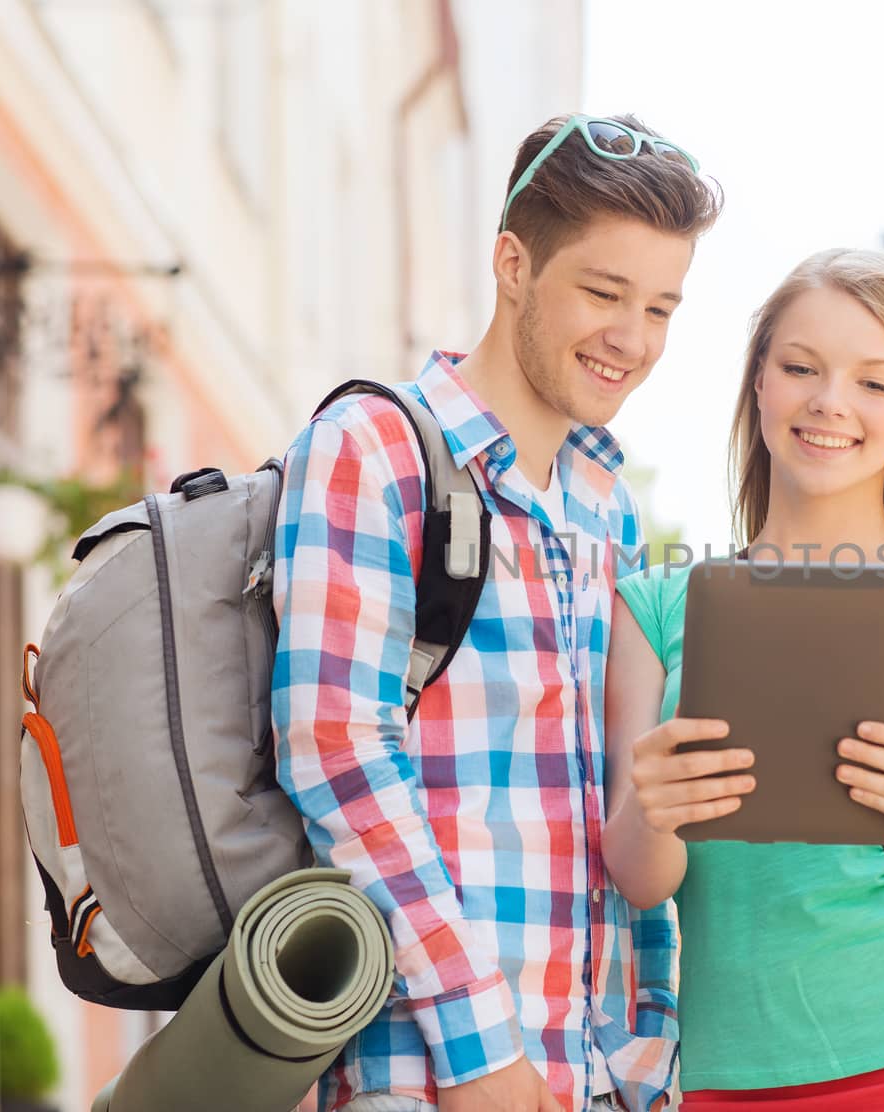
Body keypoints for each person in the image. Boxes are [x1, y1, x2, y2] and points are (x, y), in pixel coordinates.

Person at [273, 114, 722, 1112]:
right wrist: (479, 1044)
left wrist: (648, 1049)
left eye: (659, 307)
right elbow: (336, 751)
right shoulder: (375, 446)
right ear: (511, 263)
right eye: (604, 292)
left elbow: (615, 780)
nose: (631, 339)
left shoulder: (606, 505)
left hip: (598, 1071)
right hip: (430, 1069)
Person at [603, 249, 884, 1111]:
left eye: (875, 383)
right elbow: (640, 878)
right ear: (759, 386)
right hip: (730, 1079)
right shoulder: (658, 604)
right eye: (801, 368)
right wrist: (654, 806)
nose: (830, 402)